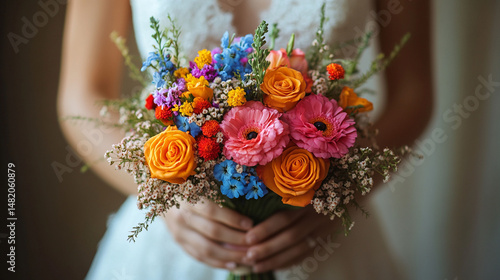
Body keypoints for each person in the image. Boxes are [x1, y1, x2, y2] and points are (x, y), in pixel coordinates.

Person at [58, 0, 432, 278]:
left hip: (321, 236)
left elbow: (413, 95)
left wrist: (341, 192)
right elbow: (82, 95)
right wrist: (165, 194)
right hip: (178, 237)